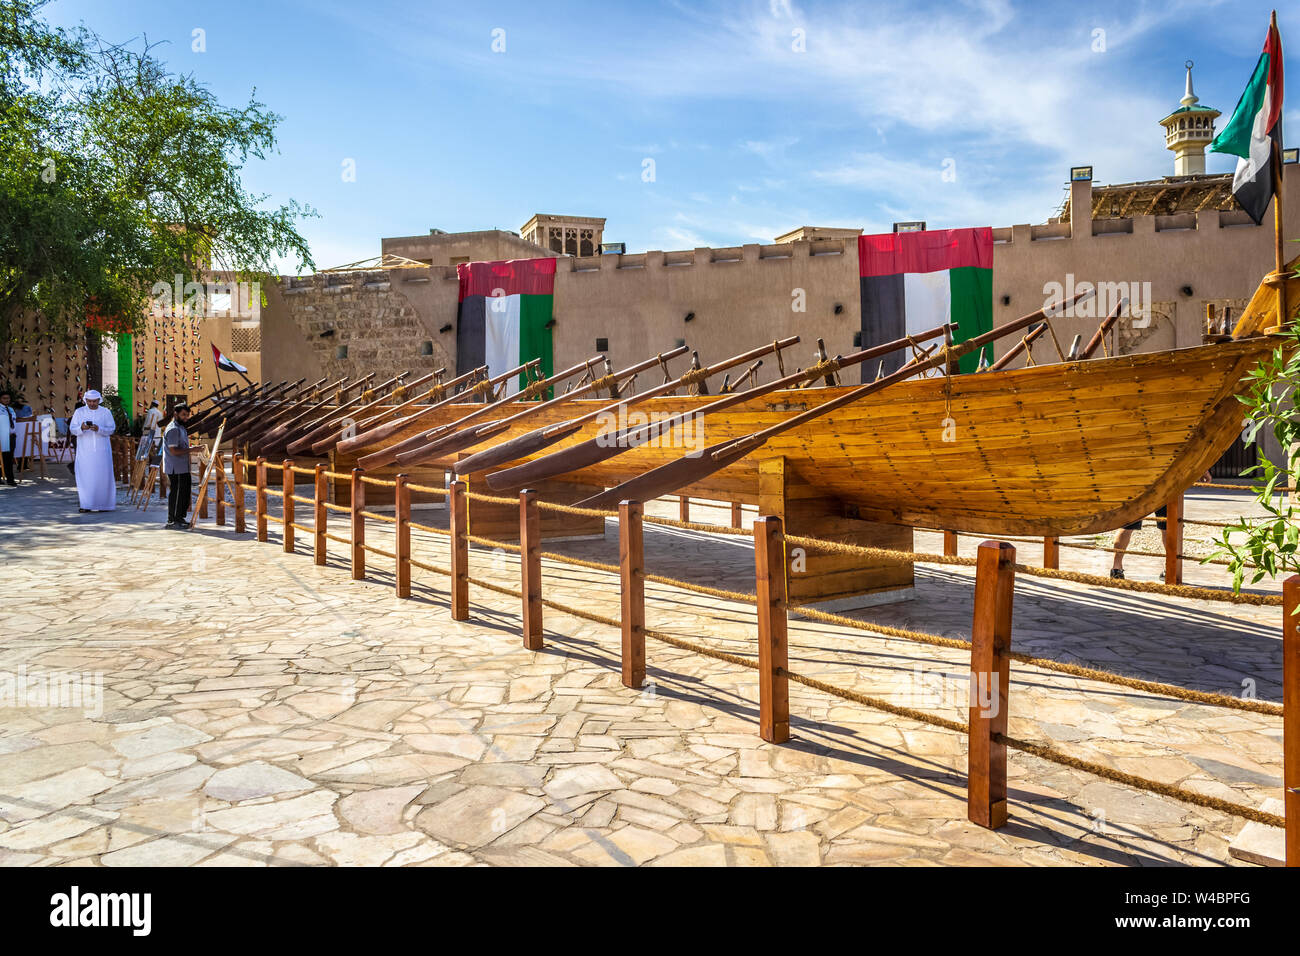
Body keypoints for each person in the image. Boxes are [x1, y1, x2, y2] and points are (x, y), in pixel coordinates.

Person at [1111, 471, 1212, 579]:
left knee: (1129, 527)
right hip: (1165, 481)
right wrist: (1203, 471)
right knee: (1167, 527)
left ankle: (1116, 569)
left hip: (1141, 480)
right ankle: (1169, 570)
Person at [69, 389, 117, 511]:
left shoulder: (106, 412)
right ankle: (86, 505)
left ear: (99, 400)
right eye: (89, 401)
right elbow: (72, 429)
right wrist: (82, 428)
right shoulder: (79, 412)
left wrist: (99, 429)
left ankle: (105, 505)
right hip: (85, 452)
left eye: (94, 401)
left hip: (102, 452)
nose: (92, 404)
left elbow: (111, 429)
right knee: (86, 478)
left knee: (103, 477)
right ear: (86, 401)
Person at [163, 404, 193, 528]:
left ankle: (179, 518)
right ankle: (173, 520)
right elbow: (174, 451)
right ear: (176, 414)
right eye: (183, 415)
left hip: (182, 467)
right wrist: (192, 450)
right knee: (177, 493)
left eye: (187, 415)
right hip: (176, 468)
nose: (186, 417)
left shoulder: (181, 427)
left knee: (184, 493)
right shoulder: (173, 429)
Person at [0, 391, 17, 486]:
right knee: (2, 458)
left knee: (9, 458)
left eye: (8, 398)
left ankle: (10, 479)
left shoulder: (10, 409)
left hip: (11, 436)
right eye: (4, 398)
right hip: (2, 436)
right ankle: (8, 479)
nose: (7, 400)